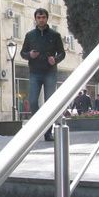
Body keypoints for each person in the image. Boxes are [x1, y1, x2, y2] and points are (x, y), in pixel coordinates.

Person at [20, 8, 65, 141]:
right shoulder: (30, 35)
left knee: (49, 103)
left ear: (47, 18)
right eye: (39, 17)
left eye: (43, 17)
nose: (41, 19)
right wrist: (30, 55)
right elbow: (23, 53)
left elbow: (62, 53)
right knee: (33, 101)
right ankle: (39, 126)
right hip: (35, 73)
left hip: (50, 73)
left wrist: (55, 59)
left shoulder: (54, 35)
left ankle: (48, 132)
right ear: (35, 19)